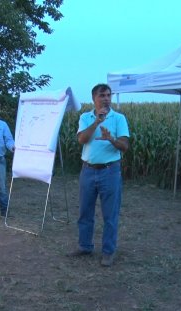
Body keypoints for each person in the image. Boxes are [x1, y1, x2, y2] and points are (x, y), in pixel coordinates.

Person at [70, 83, 129, 267]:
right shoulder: (85, 117)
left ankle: (108, 252)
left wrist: (111, 138)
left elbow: (125, 146)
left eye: (109, 95)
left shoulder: (119, 118)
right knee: (85, 212)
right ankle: (85, 246)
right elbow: (81, 139)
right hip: (88, 170)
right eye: (102, 95)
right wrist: (97, 122)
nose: (106, 99)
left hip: (110, 171)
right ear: (94, 98)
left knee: (110, 214)